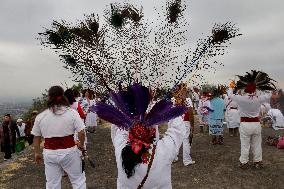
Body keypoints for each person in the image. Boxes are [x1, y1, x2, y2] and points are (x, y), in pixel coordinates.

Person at [93, 83, 187, 189]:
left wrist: (126, 108)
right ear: (153, 130)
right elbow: (177, 131)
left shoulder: (120, 148)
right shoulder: (164, 151)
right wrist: (177, 104)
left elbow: (118, 127)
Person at [31, 86, 87, 189]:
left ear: (48, 97)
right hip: (69, 151)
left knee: (52, 184)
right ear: (63, 97)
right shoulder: (72, 113)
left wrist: (37, 152)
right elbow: (81, 133)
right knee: (78, 181)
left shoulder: (41, 116)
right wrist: (81, 145)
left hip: (49, 153)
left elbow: (36, 137)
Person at [230, 70, 277, 169]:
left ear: (246, 90)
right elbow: (269, 94)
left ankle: (244, 162)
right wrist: (262, 85)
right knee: (257, 144)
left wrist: (234, 87)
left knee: (245, 144)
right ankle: (257, 162)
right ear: (255, 90)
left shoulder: (241, 98)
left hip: (245, 124)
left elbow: (230, 95)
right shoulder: (259, 98)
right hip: (256, 124)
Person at [172, 83, 195, 166]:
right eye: (186, 89)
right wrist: (192, 125)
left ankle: (174, 157)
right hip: (185, 122)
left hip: (175, 121)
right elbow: (191, 113)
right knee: (185, 140)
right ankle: (187, 160)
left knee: (175, 139)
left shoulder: (173, 100)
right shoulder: (187, 100)